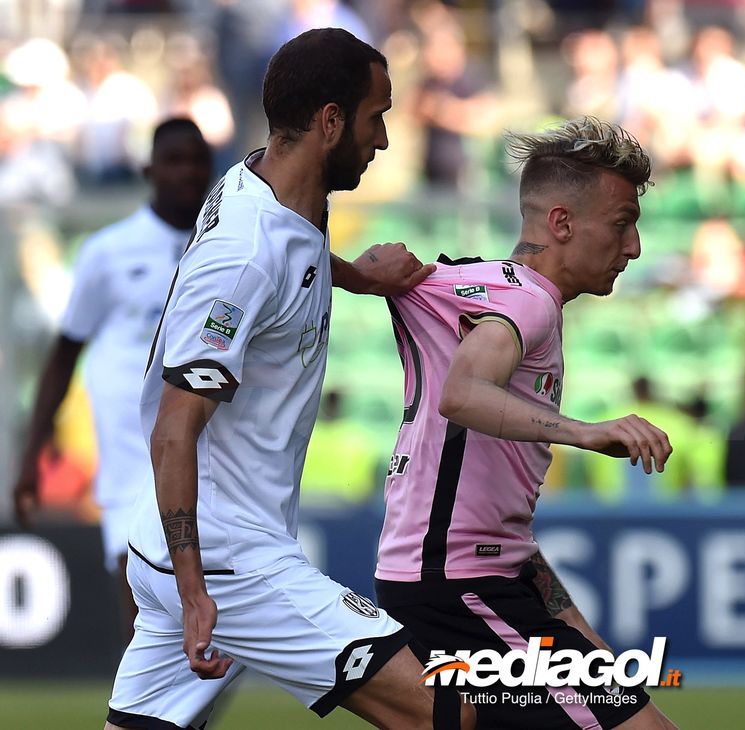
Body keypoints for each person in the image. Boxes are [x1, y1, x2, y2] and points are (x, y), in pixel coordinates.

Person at [104, 30, 473, 730]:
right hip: (227, 561)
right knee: (443, 711)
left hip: (174, 544)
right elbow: (173, 432)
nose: (386, 140)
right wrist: (196, 595)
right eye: (376, 117)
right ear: (330, 121)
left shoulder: (266, 183)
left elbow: (289, 258)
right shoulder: (243, 254)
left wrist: (359, 277)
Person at [374, 116, 678, 729]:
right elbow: (461, 394)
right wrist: (586, 431)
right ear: (561, 222)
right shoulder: (528, 301)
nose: (635, 247)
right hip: (461, 586)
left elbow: (498, 517)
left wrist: (580, 638)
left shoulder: (486, 285)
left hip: (464, 577)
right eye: (622, 225)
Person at [13, 117, 213, 642]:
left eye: (197, 159)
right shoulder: (108, 251)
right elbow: (63, 355)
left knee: (207, 633)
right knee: (142, 620)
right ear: (148, 169)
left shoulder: (225, 249)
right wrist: (32, 454)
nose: (188, 171)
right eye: (174, 160)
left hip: (205, 451)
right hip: (130, 456)